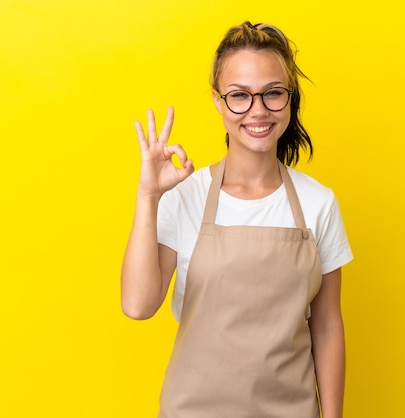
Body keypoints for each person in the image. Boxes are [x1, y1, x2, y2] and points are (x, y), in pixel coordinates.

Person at [121, 21, 353, 418]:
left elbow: (328, 326)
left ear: (290, 98)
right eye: (239, 96)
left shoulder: (319, 203)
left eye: (273, 93)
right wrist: (149, 197)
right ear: (217, 100)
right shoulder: (186, 195)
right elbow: (138, 305)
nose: (258, 110)